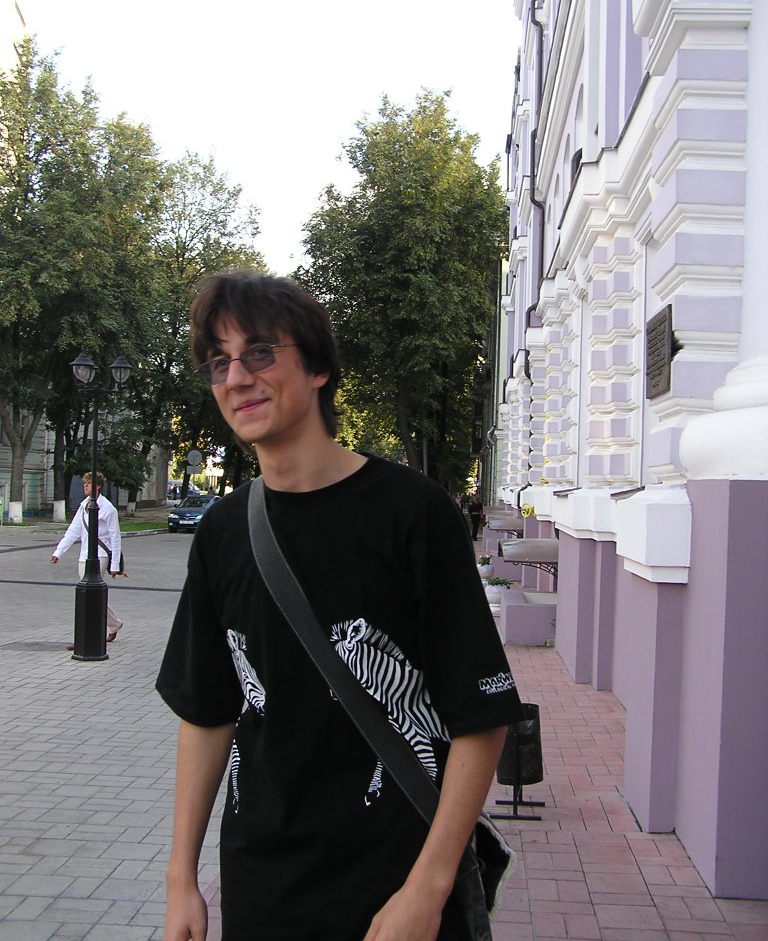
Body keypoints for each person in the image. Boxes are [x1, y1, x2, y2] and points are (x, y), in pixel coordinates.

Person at [156, 271, 524, 941]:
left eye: (259, 352)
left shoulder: (413, 514)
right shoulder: (223, 532)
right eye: (218, 362)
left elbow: (481, 718)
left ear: (318, 367)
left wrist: (429, 888)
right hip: (260, 890)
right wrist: (181, 878)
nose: (236, 378)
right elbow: (207, 713)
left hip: (394, 890)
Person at [50, 471, 126, 647]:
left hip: (100, 556)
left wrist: (115, 565)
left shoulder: (108, 509)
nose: (85, 485)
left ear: (98, 486)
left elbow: (115, 537)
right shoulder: (84, 505)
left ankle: (85, 638)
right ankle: (114, 624)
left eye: (88, 483)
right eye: (84, 483)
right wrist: (58, 552)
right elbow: (73, 530)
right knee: (93, 595)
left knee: (89, 597)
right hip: (84, 556)